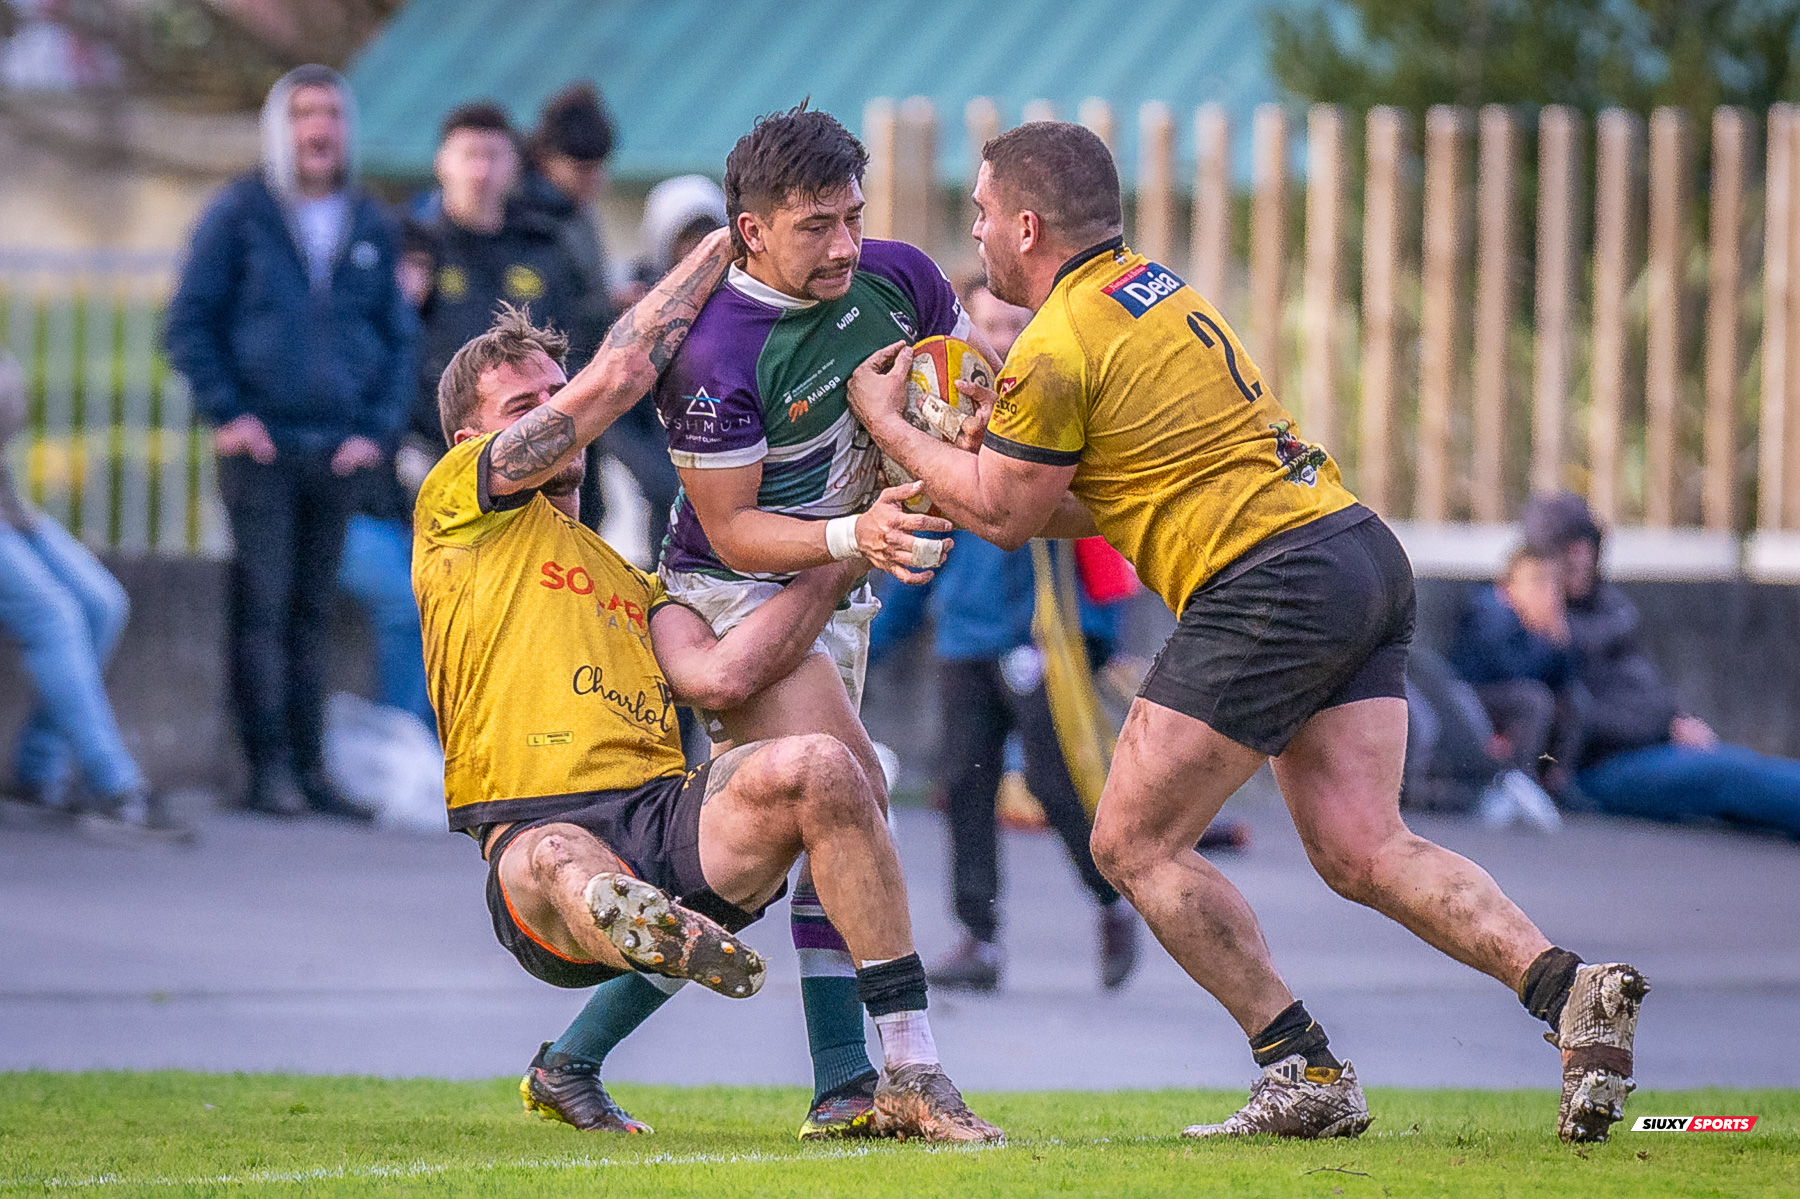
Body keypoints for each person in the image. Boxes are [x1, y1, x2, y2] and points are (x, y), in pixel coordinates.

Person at [845, 121, 1648, 1143]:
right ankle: (1567, 988)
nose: (978, 231)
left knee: (1131, 839)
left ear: (1028, 223)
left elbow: (1004, 511)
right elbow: (1077, 498)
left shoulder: (1053, 344)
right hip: (1355, 549)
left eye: (983, 212)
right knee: (1363, 847)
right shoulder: (1154, 288)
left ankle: (1301, 1065)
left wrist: (889, 424)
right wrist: (956, 469)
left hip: (1266, 581)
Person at [413, 245, 1000, 1144]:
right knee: (558, 857)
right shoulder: (457, 508)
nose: (552, 419)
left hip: (663, 816)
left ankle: (900, 1067)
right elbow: (619, 372)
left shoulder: (641, 582)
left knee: (829, 774)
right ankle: (629, 914)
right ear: (470, 443)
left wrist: (851, 545)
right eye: (523, 408)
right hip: (531, 823)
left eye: (551, 396)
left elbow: (719, 676)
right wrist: (735, 241)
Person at [647, 104, 999, 1139]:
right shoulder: (712, 348)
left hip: (846, 576)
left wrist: (957, 416)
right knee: (855, 796)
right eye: (816, 225)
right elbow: (733, 526)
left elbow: (970, 381)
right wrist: (855, 530)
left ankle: (585, 1049)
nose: (846, 244)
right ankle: (906, 1068)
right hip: (735, 592)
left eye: (851, 216)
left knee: (818, 828)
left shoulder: (900, 277)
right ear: (750, 229)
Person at [867, 281, 1138, 993]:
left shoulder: (1049, 417)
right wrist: (877, 638)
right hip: (962, 635)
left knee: (1056, 780)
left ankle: (1111, 899)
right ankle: (978, 938)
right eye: (987, 324)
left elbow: (1096, 530)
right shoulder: (942, 425)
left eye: (1013, 324)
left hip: (1038, 637)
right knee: (964, 784)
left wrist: (1090, 638)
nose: (1000, 337)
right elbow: (922, 535)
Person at [166, 64, 413, 820]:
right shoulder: (240, 213)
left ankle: (310, 770)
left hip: (336, 453)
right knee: (262, 609)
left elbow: (399, 340)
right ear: (282, 128)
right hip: (259, 452)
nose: (319, 129)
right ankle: (265, 767)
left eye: (331, 114)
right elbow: (189, 325)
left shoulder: (370, 221)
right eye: (304, 113)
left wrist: (375, 430)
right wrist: (230, 413)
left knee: (311, 613)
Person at [1499, 492, 1800, 839]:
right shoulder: (1520, 620)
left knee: (1743, 775)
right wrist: (1549, 631)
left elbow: (1644, 684)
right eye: (1568, 546)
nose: (1581, 556)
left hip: (1653, 744)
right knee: (1731, 776)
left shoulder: (1608, 609)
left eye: (1588, 543)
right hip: (1599, 766)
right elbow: (1559, 709)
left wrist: (1675, 719)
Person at [0, 352, 183, 838]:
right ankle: (116, 786)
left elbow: (9, 406)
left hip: (5, 502)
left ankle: (39, 767)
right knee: (53, 614)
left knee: (103, 603)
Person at [409, 104, 589, 463]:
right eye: (469, 155)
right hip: (431, 444)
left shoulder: (545, 247)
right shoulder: (412, 246)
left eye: (492, 156)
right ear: (441, 162)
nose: (480, 171)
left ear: (514, 165)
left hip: (533, 443)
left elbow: (574, 345)